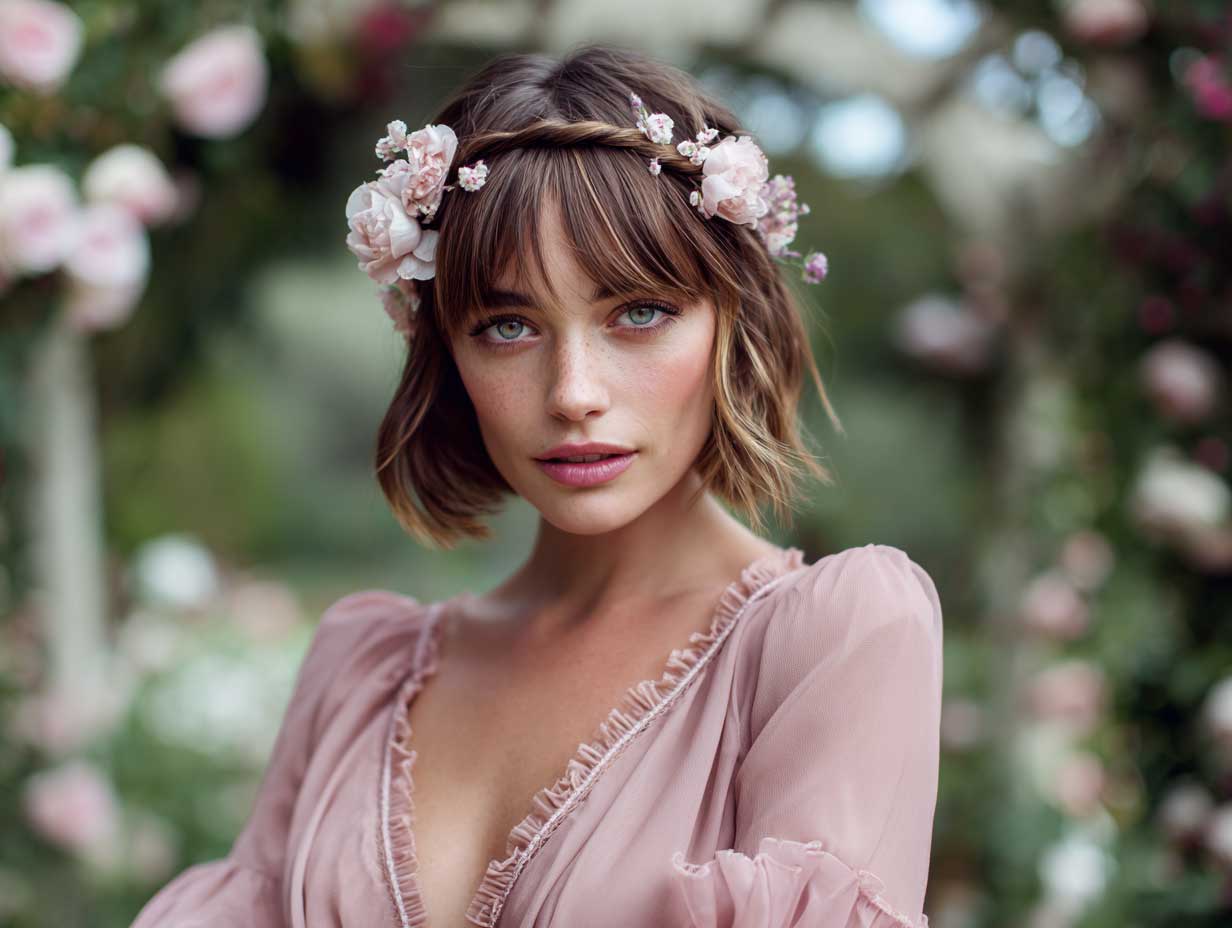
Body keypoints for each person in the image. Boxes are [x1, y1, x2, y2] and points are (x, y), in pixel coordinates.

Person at [130, 42, 943, 928]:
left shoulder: (833, 638)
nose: (573, 394)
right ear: (445, 348)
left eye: (638, 312)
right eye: (508, 325)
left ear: (731, 319)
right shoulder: (359, 670)